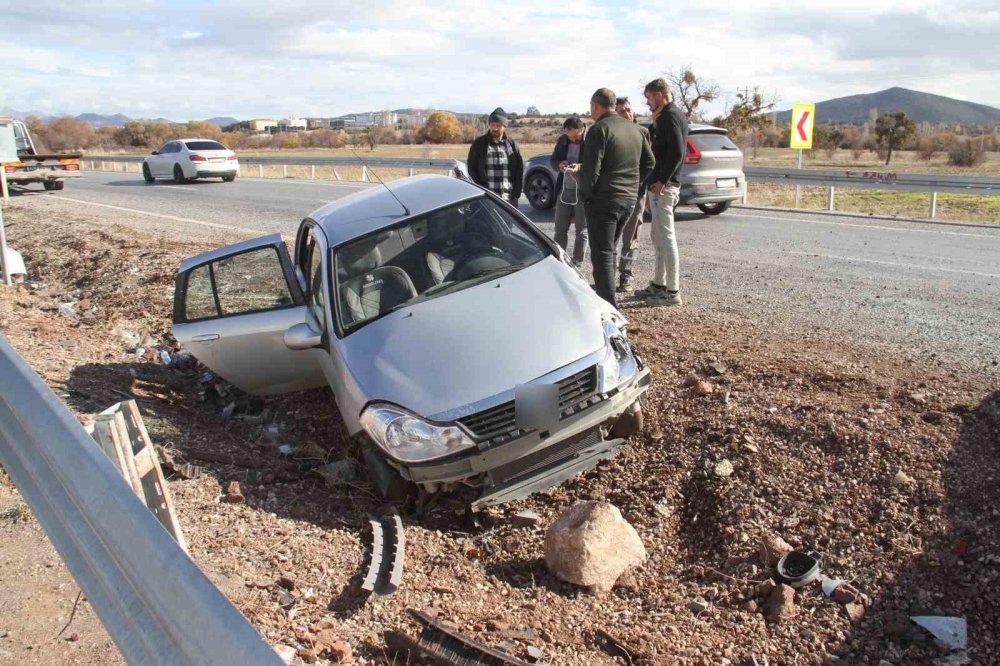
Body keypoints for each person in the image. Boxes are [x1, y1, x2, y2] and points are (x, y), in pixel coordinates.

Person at [578, 88, 655, 307]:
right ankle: (608, 298)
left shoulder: (599, 129)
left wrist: (587, 195)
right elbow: (650, 163)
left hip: (604, 200)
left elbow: (591, 170)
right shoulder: (636, 130)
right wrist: (635, 185)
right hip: (628, 200)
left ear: (595, 105)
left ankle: (608, 305)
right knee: (610, 249)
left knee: (602, 254)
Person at [637, 78, 688, 306]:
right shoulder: (663, 118)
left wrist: (663, 181)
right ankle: (659, 283)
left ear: (659, 94)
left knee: (667, 237)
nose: (647, 102)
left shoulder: (671, 116)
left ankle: (672, 291)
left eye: (648, 96)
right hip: (657, 186)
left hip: (664, 187)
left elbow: (677, 152)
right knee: (657, 235)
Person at [611, 96, 651, 292]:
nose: (626, 113)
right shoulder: (611, 133)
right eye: (621, 110)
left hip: (635, 194)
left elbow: (649, 164)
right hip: (614, 194)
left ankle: (626, 276)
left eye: (628, 109)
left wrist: (639, 186)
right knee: (611, 237)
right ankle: (607, 276)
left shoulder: (642, 133)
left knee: (631, 237)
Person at [549, 116, 588, 265]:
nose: (571, 140)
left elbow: (598, 164)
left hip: (583, 192)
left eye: (575, 137)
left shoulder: (591, 139)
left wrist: (580, 167)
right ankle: (560, 259)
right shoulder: (563, 140)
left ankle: (577, 262)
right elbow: (553, 160)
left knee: (581, 229)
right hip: (564, 190)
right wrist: (559, 164)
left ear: (581, 130)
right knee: (560, 228)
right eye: (568, 136)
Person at [466, 107, 523, 206]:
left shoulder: (512, 145)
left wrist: (516, 193)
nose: (495, 128)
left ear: (504, 126)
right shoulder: (479, 144)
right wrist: (481, 191)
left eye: (498, 125)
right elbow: (471, 169)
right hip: (487, 199)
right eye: (492, 125)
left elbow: (519, 169)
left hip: (509, 199)